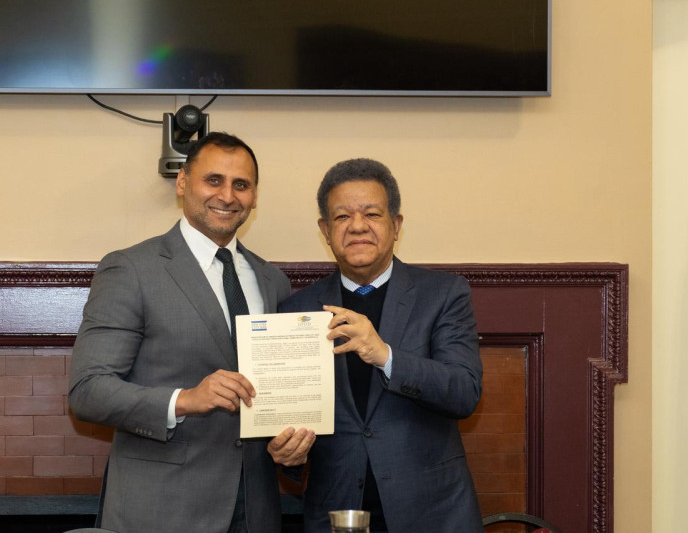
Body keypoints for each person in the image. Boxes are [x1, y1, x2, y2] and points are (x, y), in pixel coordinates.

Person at [68, 132, 315, 533]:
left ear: (254, 196)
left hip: (255, 511)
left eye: (242, 185)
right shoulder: (131, 269)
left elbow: (277, 395)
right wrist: (184, 400)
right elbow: (87, 392)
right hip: (161, 510)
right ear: (183, 183)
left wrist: (291, 447)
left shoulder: (272, 281)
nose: (228, 196)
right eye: (213, 180)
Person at [279, 158, 483, 532]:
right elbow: (291, 422)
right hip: (335, 513)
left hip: (431, 513)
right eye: (342, 217)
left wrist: (385, 355)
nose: (357, 226)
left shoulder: (444, 294)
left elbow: (464, 393)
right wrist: (286, 455)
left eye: (372, 214)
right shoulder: (297, 310)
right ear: (325, 230)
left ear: (396, 225)